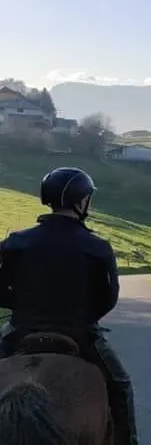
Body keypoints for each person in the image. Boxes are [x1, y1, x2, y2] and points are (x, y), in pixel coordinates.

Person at [0, 167, 138, 445]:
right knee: (121, 386)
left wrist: (21, 308)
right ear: (81, 201)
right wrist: (83, 318)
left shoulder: (16, 242)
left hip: (20, 328)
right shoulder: (97, 247)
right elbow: (108, 298)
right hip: (80, 333)